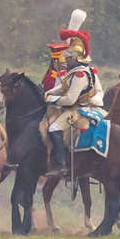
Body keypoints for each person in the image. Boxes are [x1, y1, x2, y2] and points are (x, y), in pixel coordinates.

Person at [41, 17, 101, 178]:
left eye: (68, 57)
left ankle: (61, 165)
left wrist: (52, 100)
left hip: (78, 110)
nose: (65, 59)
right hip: (76, 108)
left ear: (74, 58)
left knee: (54, 128)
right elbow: (64, 87)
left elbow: (70, 99)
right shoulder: (75, 72)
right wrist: (50, 92)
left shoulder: (80, 74)